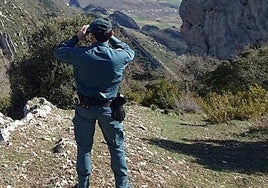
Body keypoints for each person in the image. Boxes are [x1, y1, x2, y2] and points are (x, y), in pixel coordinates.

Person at [54, 17, 135, 188]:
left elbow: (59, 52)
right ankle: (123, 185)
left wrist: (77, 38)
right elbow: (128, 50)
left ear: (90, 35)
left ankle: (83, 185)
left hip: (85, 108)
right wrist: (111, 37)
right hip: (110, 110)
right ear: (110, 33)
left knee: (84, 148)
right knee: (117, 148)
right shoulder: (119, 57)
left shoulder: (80, 54)